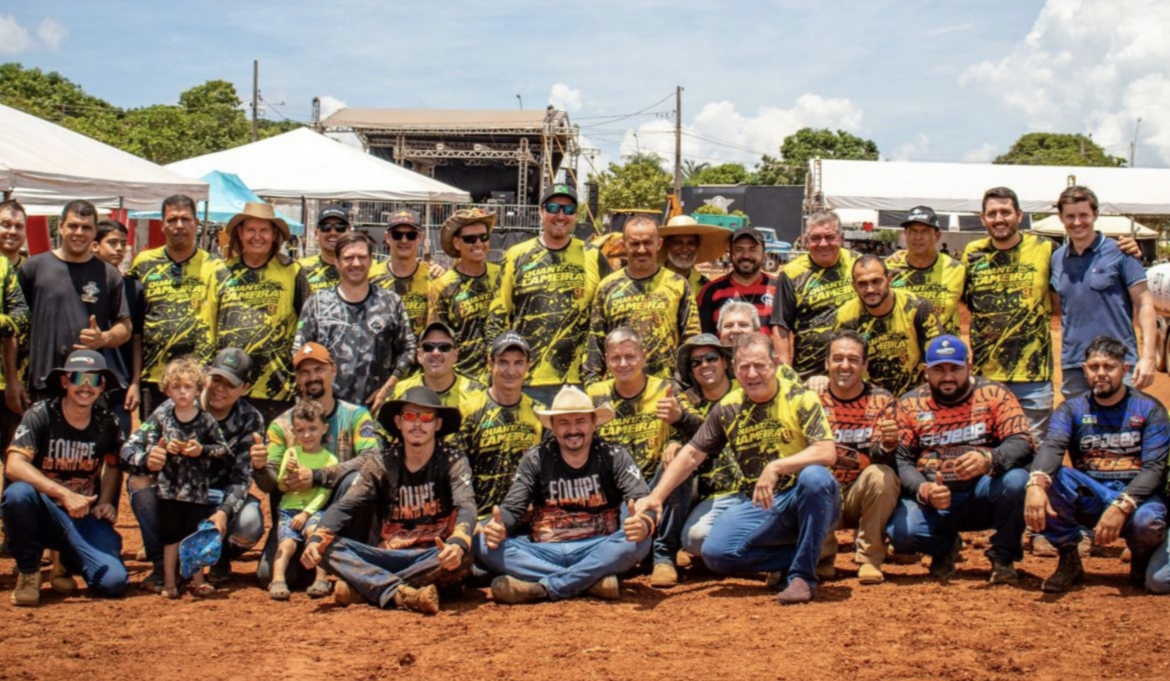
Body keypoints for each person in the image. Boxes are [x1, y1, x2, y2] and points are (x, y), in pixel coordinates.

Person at [637, 332, 838, 605]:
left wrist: (776, 466)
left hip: (804, 498)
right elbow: (692, 454)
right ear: (734, 368)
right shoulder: (728, 407)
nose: (752, 374)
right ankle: (811, 551)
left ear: (775, 364)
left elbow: (826, 452)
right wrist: (656, 497)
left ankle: (802, 577)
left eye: (759, 365)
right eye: (744, 367)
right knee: (716, 554)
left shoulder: (801, 398)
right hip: (764, 504)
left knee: (815, 477)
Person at [301, 387, 475, 614]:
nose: (417, 424)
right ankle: (398, 592)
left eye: (426, 418)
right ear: (398, 422)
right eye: (410, 416)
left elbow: (466, 504)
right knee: (325, 546)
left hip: (432, 555)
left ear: (438, 424)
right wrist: (317, 537)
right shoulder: (382, 461)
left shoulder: (453, 459)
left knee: (465, 553)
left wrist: (457, 543)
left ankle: (368, 587)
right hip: (386, 554)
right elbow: (346, 505)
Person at [475, 386, 655, 604]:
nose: (573, 430)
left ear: (594, 422)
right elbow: (513, 508)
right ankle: (589, 581)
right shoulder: (536, 458)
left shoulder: (614, 455)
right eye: (563, 423)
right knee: (481, 540)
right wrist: (499, 526)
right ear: (552, 426)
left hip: (598, 546)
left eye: (580, 421)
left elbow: (643, 500)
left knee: (639, 541)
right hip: (542, 551)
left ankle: (543, 588)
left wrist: (643, 523)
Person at [887, 335, 1033, 585]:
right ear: (926, 371)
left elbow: (1022, 440)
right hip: (936, 498)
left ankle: (1003, 556)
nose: (947, 377)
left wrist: (989, 458)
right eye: (939, 370)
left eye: (955, 368)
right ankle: (945, 547)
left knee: (1017, 481)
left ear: (969, 366)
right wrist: (923, 488)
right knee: (902, 533)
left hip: (984, 492)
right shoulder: (910, 404)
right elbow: (901, 459)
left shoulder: (994, 393)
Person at [1026, 336, 1168, 593]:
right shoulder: (1072, 409)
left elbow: (1155, 469)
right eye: (1094, 367)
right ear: (1084, 369)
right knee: (1049, 480)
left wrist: (1123, 504)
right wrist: (1036, 482)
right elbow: (1052, 446)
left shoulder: (1149, 409)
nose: (1101, 373)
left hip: (1138, 498)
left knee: (1148, 522)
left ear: (1124, 369)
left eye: (1109, 367)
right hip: (1092, 495)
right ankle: (1069, 560)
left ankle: (1141, 558)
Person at [125, 347, 266, 590]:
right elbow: (129, 448)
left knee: (250, 522)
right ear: (206, 375)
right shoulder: (172, 408)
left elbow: (241, 478)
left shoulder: (250, 418)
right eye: (216, 379)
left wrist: (224, 512)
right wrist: (148, 459)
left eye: (230, 384)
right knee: (139, 482)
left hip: (216, 496)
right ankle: (162, 565)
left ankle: (219, 558)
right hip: (176, 494)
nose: (220, 388)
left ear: (245, 387)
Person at [1, 350, 127, 606]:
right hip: (42, 510)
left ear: (102, 386)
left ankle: (65, 562)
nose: (85, 386)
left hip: (81, 516)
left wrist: (105, 501)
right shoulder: (41, 414)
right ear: (65, 381)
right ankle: (29, 571)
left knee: (113, 583)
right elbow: (14, 465)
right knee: (17, 495)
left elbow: (114, 464)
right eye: (79, 378)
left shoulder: (108, 422)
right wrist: (64, 494)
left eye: (94, 380)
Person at [252, 342, 382, 586]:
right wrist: (259, 468)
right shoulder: (281, 425)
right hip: (296, 514)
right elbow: (269, 484)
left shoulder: (356, 415)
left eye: (319, 369)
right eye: (304, 372)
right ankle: (315, 560)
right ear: (297, 378)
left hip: (343, 514)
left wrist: (318, 475)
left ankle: (350, 553)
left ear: (333, 370)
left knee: (356, 479)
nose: (312, 377)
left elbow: (372, 458)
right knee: (269, 575)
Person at [487, 183, 610, 407]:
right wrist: (499, 373)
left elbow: (608, 316)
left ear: (576, 215)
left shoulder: (592, 255)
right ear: (541, 212)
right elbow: (497, 316)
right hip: (526, 380)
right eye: (553, 208)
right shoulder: (517, 255)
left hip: (581, 381)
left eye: (568, 209)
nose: (561, 215)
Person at [586, 327, 687, 587]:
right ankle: (622, 559)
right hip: (615, 490)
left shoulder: (666, 389)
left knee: (682, 463)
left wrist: (677, 435)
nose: (623, 364)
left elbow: (700, 431)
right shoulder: (594, 394)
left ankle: (664, 555)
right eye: (616, 358)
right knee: (630, 538)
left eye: (630, 356)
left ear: (644, 355)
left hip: (656, 482)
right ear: (606, 360)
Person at [122, 357, 229, 598]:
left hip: (196, 492)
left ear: (198, 389)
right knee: (170, 538)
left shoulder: (205, 419)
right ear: (167, 390)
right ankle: (169, 582)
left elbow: (222, 449)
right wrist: (159, 451)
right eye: (176, 387)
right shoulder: (163, 417)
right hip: (168, 490)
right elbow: (138, 446)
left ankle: (198, 580)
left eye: (188, 387)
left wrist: (201, 450)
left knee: (195, 537)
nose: (182, 392)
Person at [961, 187, 1054, 441]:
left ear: (1019, 215)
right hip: (986, 376)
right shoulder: (973, 253)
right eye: (992, 213)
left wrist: (1125, 248)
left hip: (1033, 378)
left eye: (1005, 212)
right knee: (987, 450)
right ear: (983, 218)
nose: (999, 219)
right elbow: (965, 298)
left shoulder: (1045, 248)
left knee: (1033, 449)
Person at [18, 200, 131, 403]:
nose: (79, 233)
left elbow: (125, 326)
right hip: (42, 382)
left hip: (87, 383)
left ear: (95, 232)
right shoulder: (33, 268)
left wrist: (104, 338)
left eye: (86, 227)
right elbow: (15, 327)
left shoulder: (109, 275)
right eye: (73, 226)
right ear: (61, 227)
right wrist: (14, 378)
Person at [205, 202, 310, 422]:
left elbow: (309, 326)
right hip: (227, 388)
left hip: (278, 387)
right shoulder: (221, 272)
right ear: (240, 233)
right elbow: (207, 327)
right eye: (251, 230)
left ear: (274, 235)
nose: (257, 237)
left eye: (264, 230)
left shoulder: (293, 271)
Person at [1051, 186, 1156, 399]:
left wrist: (1149, 358)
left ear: (1096, 214)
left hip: (1118, 363)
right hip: (1075, 365)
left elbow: (1145, 303)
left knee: (1123, 421)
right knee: (1079, 421)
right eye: (1070, 216)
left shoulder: (1121, 253)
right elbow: (1057, 307)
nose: (1077, 222)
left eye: (1084, 215)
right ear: (1061, 217)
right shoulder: (1057, 259)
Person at [294, 231, 416, 409]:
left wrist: (387, 388)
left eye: (362, 257)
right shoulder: (317, 303)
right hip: (326, 411)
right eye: (348, 258)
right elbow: (300, 353)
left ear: (371, 261)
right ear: (337, 262)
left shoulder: (390, 302)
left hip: (374, 410)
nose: (356, 263)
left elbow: (408, 349)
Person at [128, 195, 221, 419]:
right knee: (155, 437)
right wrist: (134, 381)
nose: (179, 225)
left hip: (197, 380)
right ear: (162, 225)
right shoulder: (143, 263)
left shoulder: (215, 266)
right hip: (154, 378)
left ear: (196, 224)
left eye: (185, 219)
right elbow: (134, 325)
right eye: (172, 220)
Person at [817, 330, 899, 585]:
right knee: (812, 474)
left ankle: (869, 558)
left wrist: (888, 443)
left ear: (865, 366)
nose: (845, 366)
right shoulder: (811, 399)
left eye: (853, 360)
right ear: (826, 363)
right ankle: (821, 558)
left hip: (859, 494)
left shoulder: (881, 400)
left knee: (882, 476)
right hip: (824, 492)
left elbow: (883, 457)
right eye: (837, 358)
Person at [584, 215, 699, 386]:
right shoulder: (607, 286)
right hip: (619, 387)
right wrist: (592, 384)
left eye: (647, 243)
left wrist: (682, 385)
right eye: (634, 244)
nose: (641, 249)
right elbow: (596, 340)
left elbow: (691, 339)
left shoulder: (678, 284)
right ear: (624, 245)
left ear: (659, 244)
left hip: (665, 388)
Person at [668, 334, 745, 560]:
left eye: (711, 358)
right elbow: (684, 432)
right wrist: (672, 442)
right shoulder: (687, 402)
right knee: (694, 539)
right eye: (696, 362)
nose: (704, 365)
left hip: (752, 490)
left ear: (725, 362)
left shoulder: (745, 392)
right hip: (712, 496)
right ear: (691, 371)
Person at [456, 331, 542, 519]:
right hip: (481, 519)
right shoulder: (467, 412)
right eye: (503, 362)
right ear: (490, 364)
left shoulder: (540, 413)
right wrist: (466, 520)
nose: (511, 371)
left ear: (528, 366)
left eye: (518, 363)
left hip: (528, 519)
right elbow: (457, 474)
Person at [833, 255, 942, 396]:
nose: (870, 289)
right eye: (862, 284)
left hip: (916, 397)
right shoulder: (846, 317)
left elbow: (936, 358)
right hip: (868, 399)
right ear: (854, 286)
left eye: (876, 281)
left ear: (889, 279)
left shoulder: (917, 307)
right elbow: (841, 364)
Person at [771, 210, 858, 378]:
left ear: (842, 238)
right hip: (808, 373)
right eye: (815, 238)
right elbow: (780, 324)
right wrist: (786, 372)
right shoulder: (792, 273)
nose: (823, 244)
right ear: (805, 241)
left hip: (853, 369)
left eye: (830, 237)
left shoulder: (857, 264)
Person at [270, 400, 338, 600]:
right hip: (288, 509)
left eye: (312, 429)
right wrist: (287, 471)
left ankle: (321, 578)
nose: (307, 435)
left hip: (314, 510)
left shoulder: (330, 460)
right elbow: (282, 486)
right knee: (286, 545)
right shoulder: (291, 453)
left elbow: (324, 493)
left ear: (324, 428)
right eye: (300, 430)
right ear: (293, 432)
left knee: (315, 536)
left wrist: (306, 513)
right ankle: (277, 579)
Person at [432, 208, 501, 382]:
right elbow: (437, 338)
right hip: (461, 380)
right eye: (470, 239)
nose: (478, 243)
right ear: (457, 243)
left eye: (484, 237)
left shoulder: (501, 275)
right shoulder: (443, 286)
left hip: (500, 378)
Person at [92, 219, 142, 436]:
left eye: (123, 243)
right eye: (112, 242)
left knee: (118, 445)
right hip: (85, 380)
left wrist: (135, 382)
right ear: (95, 245)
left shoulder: (133, 288)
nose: (119, 248)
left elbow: (137, 338)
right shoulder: (83, 284)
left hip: (120, 382)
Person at [885, 206, 966, 335]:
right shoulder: (889, 269)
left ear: (937, 236)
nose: (918, 237)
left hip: (943, 346)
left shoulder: (956, 269)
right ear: (905, 234)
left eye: (925, 232)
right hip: (903, 345)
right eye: (912, 231)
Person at [698, 225, 779, 337]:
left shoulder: (779, 289)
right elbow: (705, 338)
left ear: (764, 255)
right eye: (739, 249)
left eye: (752, 249)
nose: (746, 255)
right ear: (730, 255)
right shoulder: (711, 291)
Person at [389, 322, 484, 409]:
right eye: (428, 347)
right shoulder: (399, 393)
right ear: (419, 355)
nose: (436, 353)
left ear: (455, 355)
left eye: (444, 347)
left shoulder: (477, 395)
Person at [370, 209, 432, 343]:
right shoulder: (371, 277)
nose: (404, 240)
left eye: (411, 235)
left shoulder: (433, 278)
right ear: (387, 237)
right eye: (397, 235)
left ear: (420, 237)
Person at [0, 199, 29, 454]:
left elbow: (22, 322)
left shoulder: (34, 270)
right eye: (5, 224)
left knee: (16, 453)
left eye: (18, 226)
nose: (11, 231)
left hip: (24, 379)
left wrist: (14, 379)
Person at [659, 214, 729, 303]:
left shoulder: (704, 285)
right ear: (666, 245)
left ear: (698, 246)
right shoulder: (650, 276)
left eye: (691, 243)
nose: (685, 249)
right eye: (678, 243)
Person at [299, 204, 350, 294]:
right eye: (326, 227)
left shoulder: (364, 268)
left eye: (340, 228)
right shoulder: (300, 269)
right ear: (316, 234)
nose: (333, 233)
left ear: (350, 233)